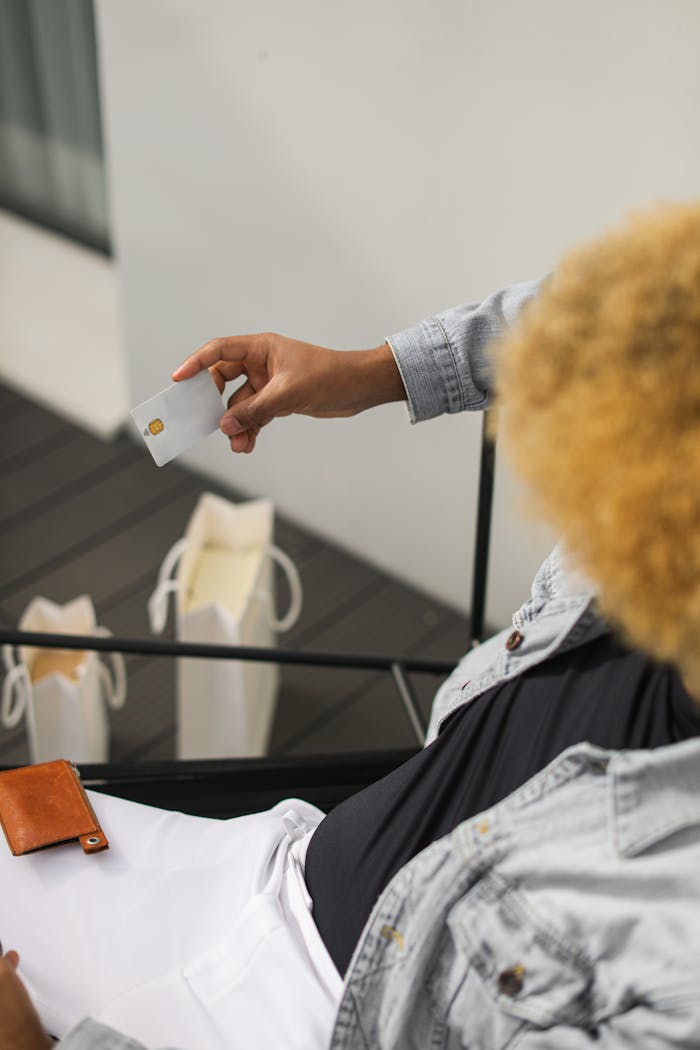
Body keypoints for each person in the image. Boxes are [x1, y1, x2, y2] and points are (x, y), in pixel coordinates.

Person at [2, 201, 700, 1049]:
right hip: (286, 860)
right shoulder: (654, 515)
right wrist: (368, 372)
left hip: (321, 1018)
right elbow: (585, 323)